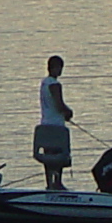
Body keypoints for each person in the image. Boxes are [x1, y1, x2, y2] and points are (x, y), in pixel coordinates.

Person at [33, 55, 75, 190]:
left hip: (45, 123)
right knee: (59, 155)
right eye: (60, 68)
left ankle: (49, 184)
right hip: (56, 125)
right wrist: (68, 112)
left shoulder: (44, 83)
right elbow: (59, 104)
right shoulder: (55, 84)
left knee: (48, 155)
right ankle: (57, 183)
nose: (61, 71)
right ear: (55, 68)